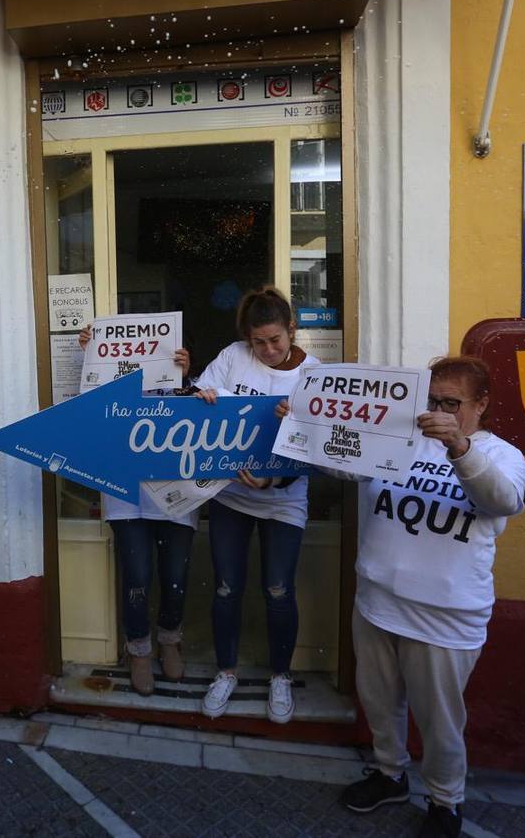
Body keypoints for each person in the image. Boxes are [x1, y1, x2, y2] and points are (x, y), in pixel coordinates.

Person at [297, 355, 525, 838]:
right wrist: (304, 426)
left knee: (441, 722)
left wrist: (460, 447)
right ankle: (389, 774)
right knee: (379, 704)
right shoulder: (400, 438)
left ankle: (445, 801)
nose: (439, 411)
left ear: (481, 404)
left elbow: (503, 501)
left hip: (445, 618)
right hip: (378, 602)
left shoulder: (501, 455)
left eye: (452, 403)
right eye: (432, 400)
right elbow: (344, 469)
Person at [192, 287, 319, 724]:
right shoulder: (232, 357)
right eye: (257, 342)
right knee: (227, 587)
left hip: (284, 500)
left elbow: (318, 449)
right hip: (230, 495)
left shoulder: (316, 375)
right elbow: (199, 403)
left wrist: (276, 476)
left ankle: (280, 676)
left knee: (278, 590)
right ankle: (225, 672)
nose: (266, 350)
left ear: (292, 329)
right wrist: (203, 398)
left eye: (275, 340)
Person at [78, 323, 195, 695]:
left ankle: (170, 640)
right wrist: (91, 358)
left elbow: (204, 415)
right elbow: (93, 416)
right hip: (126, 495)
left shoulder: (180, 378)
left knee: (175, 579)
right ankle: (140, 650)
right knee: (138, 578)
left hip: (176, 496)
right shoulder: (111, 380)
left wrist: (186, 379)